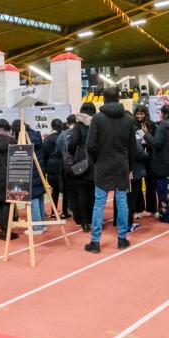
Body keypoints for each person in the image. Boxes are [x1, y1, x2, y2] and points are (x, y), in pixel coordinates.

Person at [84, 87, 136, 253]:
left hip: (103, 165)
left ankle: (95, 242)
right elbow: (133, 147)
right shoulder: (128, 119)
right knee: (122, 202)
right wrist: (129, 166)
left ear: (104, 99)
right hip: (122, 165)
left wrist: (95, 161)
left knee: (99, 203)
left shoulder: (97, 118)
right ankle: (122, 239)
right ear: (119, 98)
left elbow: (90, 145)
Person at [65, 103, 96, 232]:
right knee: (93, 194)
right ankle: (93, 219)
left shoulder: (78, 125)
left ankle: (84, 222)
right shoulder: (97, 123)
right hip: (95, 161)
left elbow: (72, 144)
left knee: (82, 194)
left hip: (82, 162)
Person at [145, 103, 169, 223]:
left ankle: (168, 216)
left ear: (163, 114)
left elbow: (157, 143)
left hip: (162, 164)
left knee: (164, 191)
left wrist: (146, 135)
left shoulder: (162, 126)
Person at [130, 105, 157, 219]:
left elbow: (155, 142)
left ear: (146, 114)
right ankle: (138, 209)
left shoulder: (152, 125)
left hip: (150, 158)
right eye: (137, 114)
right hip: (138, 159)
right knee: (137, 185)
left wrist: (146, 136)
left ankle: (152, 209)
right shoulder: (132, 125)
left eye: (142, 114)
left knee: (150, 184)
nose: (139, 116)